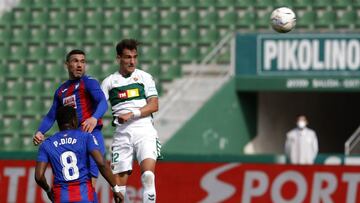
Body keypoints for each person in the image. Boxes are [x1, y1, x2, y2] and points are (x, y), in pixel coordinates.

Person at [33, 49, 108, 187]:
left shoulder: (89, 82)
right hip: (73, 139)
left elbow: (103, 102)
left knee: (91, 179)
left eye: (83, 61)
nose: (80, 65)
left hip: (91, 134)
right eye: (75, 61)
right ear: (67, 64)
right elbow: (51, 115)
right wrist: (40, 131)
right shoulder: (61, 91)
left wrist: (94, 118)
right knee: (75, 180)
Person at [101, 39, 161, 203]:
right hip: (122, 134)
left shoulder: (144, 77)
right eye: (127, 57)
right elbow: (99, 107)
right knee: (119, 188)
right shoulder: (109, 82)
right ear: (118, 58)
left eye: (135, 56)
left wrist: (132, 113)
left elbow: (154, 105)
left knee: (148, 176)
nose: (132, 61)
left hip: (144, 130)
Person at [35, 106, 123, 203]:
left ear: (58, 123)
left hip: (61, 197)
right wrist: (115, 188)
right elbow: (101, 163)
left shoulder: (47, 144)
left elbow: (39, 176)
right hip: (84, 196)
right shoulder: (86, 137)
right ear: (74, 121)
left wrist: (47, 190)